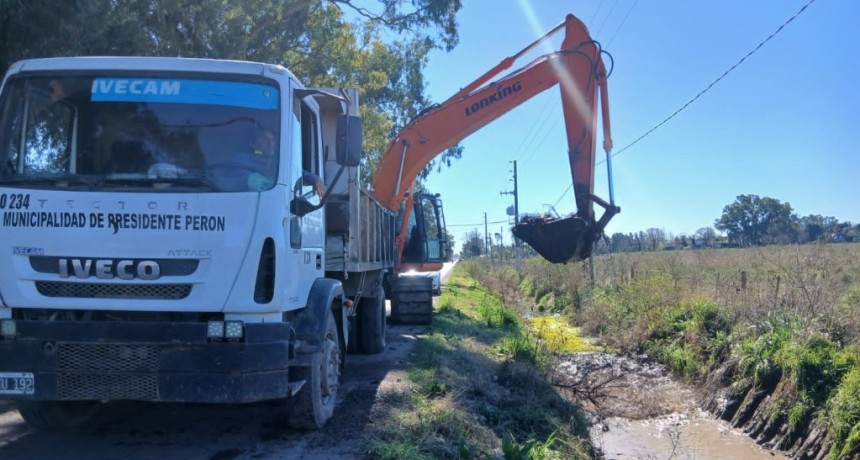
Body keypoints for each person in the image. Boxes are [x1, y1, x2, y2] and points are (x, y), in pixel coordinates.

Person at [231, 129, 326, 196]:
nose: (271, 143)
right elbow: (225, 181)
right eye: (265, 140)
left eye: (272, 140)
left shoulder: (280, 162)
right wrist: (245, 180)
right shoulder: (242, 160)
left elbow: (303, 175)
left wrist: (316, 180)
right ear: (253, 144)